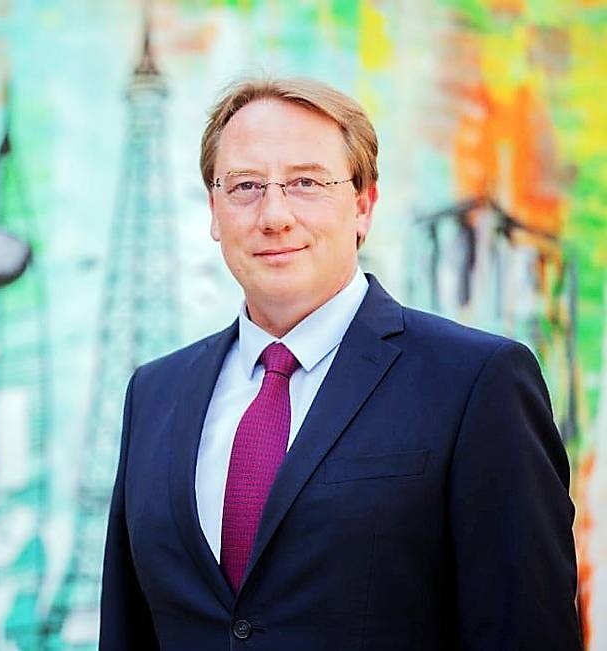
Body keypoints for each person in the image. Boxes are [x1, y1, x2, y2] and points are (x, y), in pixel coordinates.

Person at [99, 77, 582, 650]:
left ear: (363, 206)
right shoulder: (155, 393)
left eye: (306, 183)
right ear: (214, 210)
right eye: (246, 185)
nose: (274, 215)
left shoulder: (477, 382)